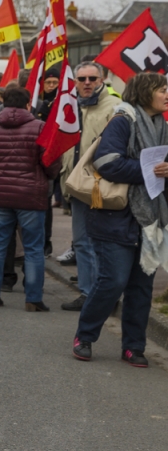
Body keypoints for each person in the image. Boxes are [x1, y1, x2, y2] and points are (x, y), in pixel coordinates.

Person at [72, 72, 168, 367]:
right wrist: (150, 170)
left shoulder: (163, 126)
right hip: (116, 217)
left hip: (150, 221)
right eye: (162, 89)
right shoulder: (123, 120)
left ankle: (133, 346)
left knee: (141, 287)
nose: (166, 94)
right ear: (145, 92)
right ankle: (84, 336)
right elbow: (107, 162)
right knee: (112, 281)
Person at [0, 87, 59, 309]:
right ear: (28, 105)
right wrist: (48, 179)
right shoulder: (40, 127)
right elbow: (51, 161)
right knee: (33, 248)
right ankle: (33, 299)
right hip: (31, 196)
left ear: (4, 104)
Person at [59, 61, 119, 311]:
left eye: (92, 79)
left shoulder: (115, 107)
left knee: (104, 244)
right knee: (82, 242)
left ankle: (106, 296)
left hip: (102, 187)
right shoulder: (71, 105)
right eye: (81, 79)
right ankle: (87, 293)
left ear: (102, 79)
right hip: (77, 187)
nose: (86, 83)